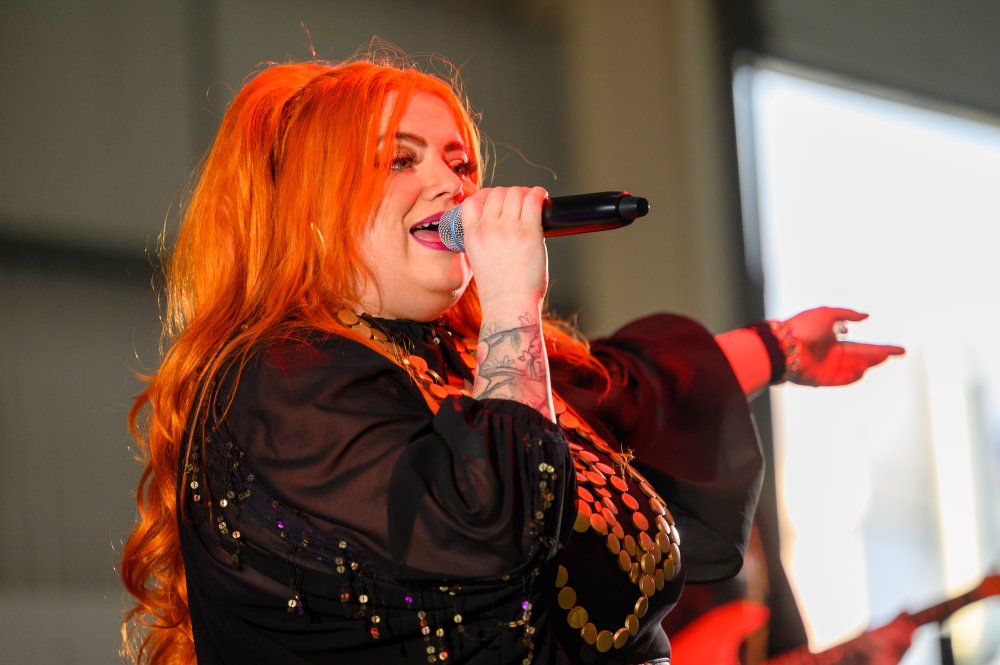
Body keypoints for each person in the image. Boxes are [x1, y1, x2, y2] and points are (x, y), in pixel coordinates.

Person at [119, 49, 905, 665]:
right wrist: (510, 300)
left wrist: (778, 347)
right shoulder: (279, 383)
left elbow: (629, 395)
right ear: (310, 204)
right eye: (400, 160)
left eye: (460, 162)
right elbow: (493, 522)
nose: (452, 185)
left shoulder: (462, 364)